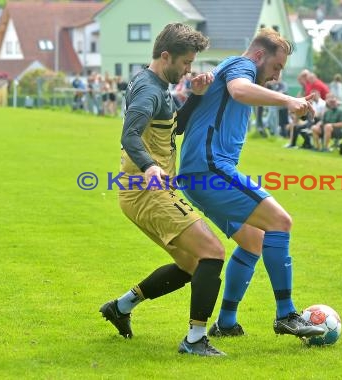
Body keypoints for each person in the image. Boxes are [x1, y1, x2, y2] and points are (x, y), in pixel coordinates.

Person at [178, 28, 325, 340]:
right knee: (280, 222)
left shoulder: (232, 68)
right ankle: (286, 314)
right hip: (208, 169)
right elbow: (240, 91)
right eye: (276, 67)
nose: (275, 76)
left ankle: (227, 322)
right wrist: (288, 100)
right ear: (259, 56)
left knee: (253, 241)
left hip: (199, 173)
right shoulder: (241, 67)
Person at [98, 23, 227, 357]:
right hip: (147, 189)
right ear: (165, 55)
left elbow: (173, 128)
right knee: (212, 252)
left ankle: (121, 307)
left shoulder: (156, 85)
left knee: (190, 264)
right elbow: (129, 135)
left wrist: (195, 98)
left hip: (146, 190)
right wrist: (150, 166)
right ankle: (196, 340)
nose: (188, 69)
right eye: (185, 63)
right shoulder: (148, 90)